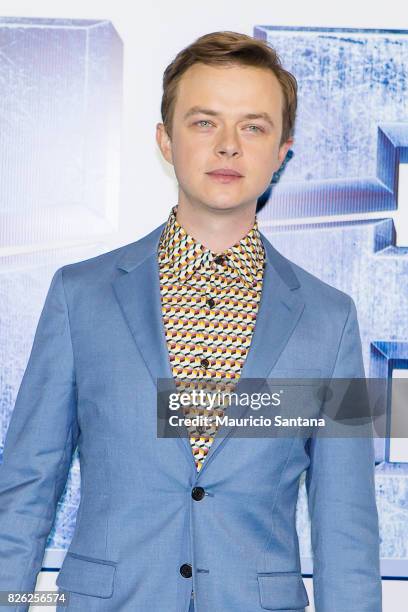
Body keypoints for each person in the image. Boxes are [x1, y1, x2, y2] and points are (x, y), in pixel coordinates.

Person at [0, 31, 382, 611]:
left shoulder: (331, 320)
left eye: (253, 126)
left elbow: (346, 521)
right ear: (165, 140)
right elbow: (27, 491)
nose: (228, 146)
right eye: (205, 122)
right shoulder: (81, 296)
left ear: (282, 151)